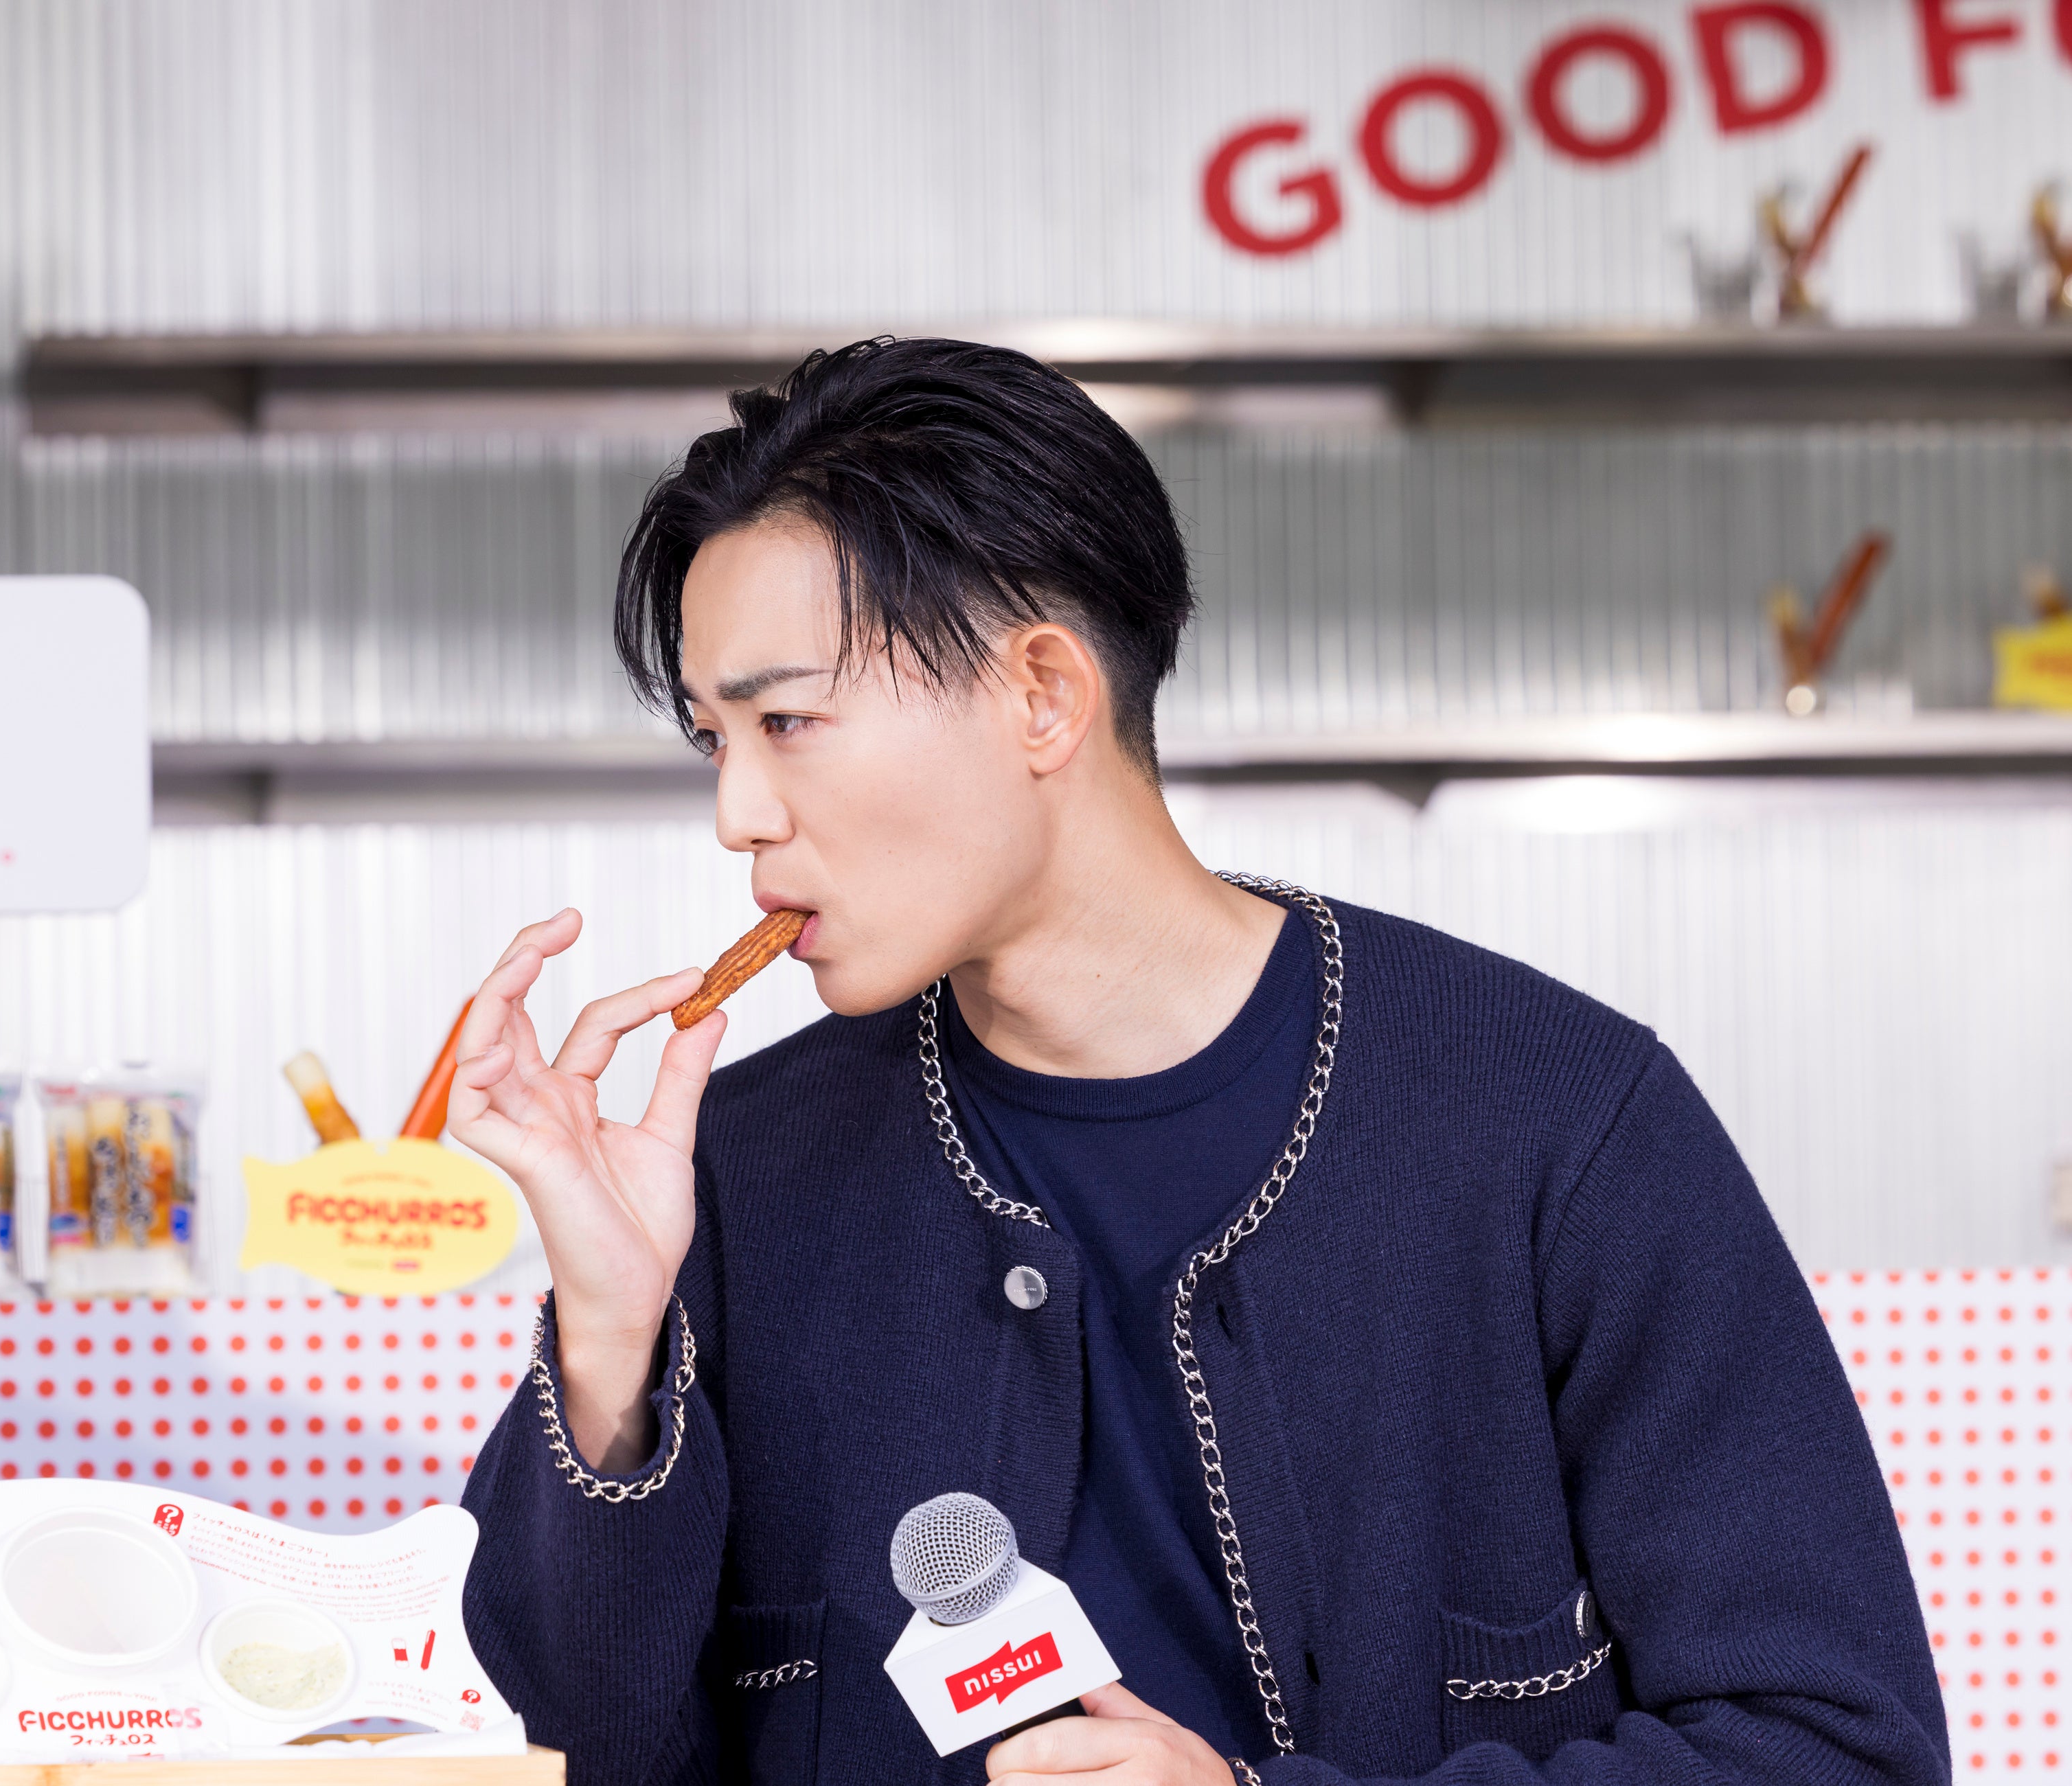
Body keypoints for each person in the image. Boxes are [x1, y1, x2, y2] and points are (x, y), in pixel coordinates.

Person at [447, 338, 1946, 1786]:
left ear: (1042, 693)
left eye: (788, 719)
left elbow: (1839, 1746)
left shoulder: (1558, 1120)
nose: (739, 813)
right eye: (716, 739)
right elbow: (557, 1757)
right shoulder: (735, 1172)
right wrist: (611, 1352)